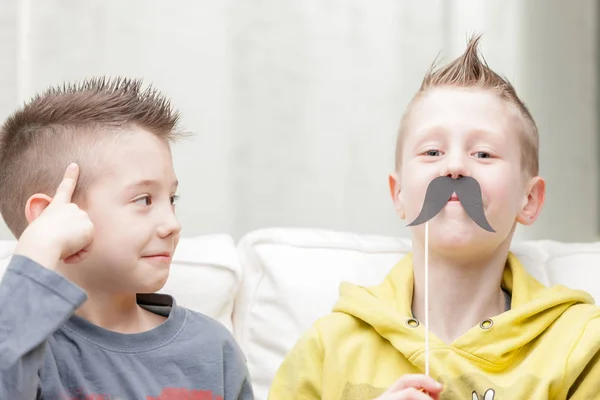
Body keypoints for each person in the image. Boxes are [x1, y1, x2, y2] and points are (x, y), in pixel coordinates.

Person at [267, 35, 600, 399]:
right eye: (432, 151)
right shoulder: (328, 348)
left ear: (530, 200)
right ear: (399, 195)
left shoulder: (579, 343)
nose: (454, 167)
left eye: (484, 154)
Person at [0, 78, 254, 400]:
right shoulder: (28, 353)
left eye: (172, 199)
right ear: (52, 217)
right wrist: (36, 253)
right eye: (144, 200)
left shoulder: (211, 348)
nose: (172, 224)